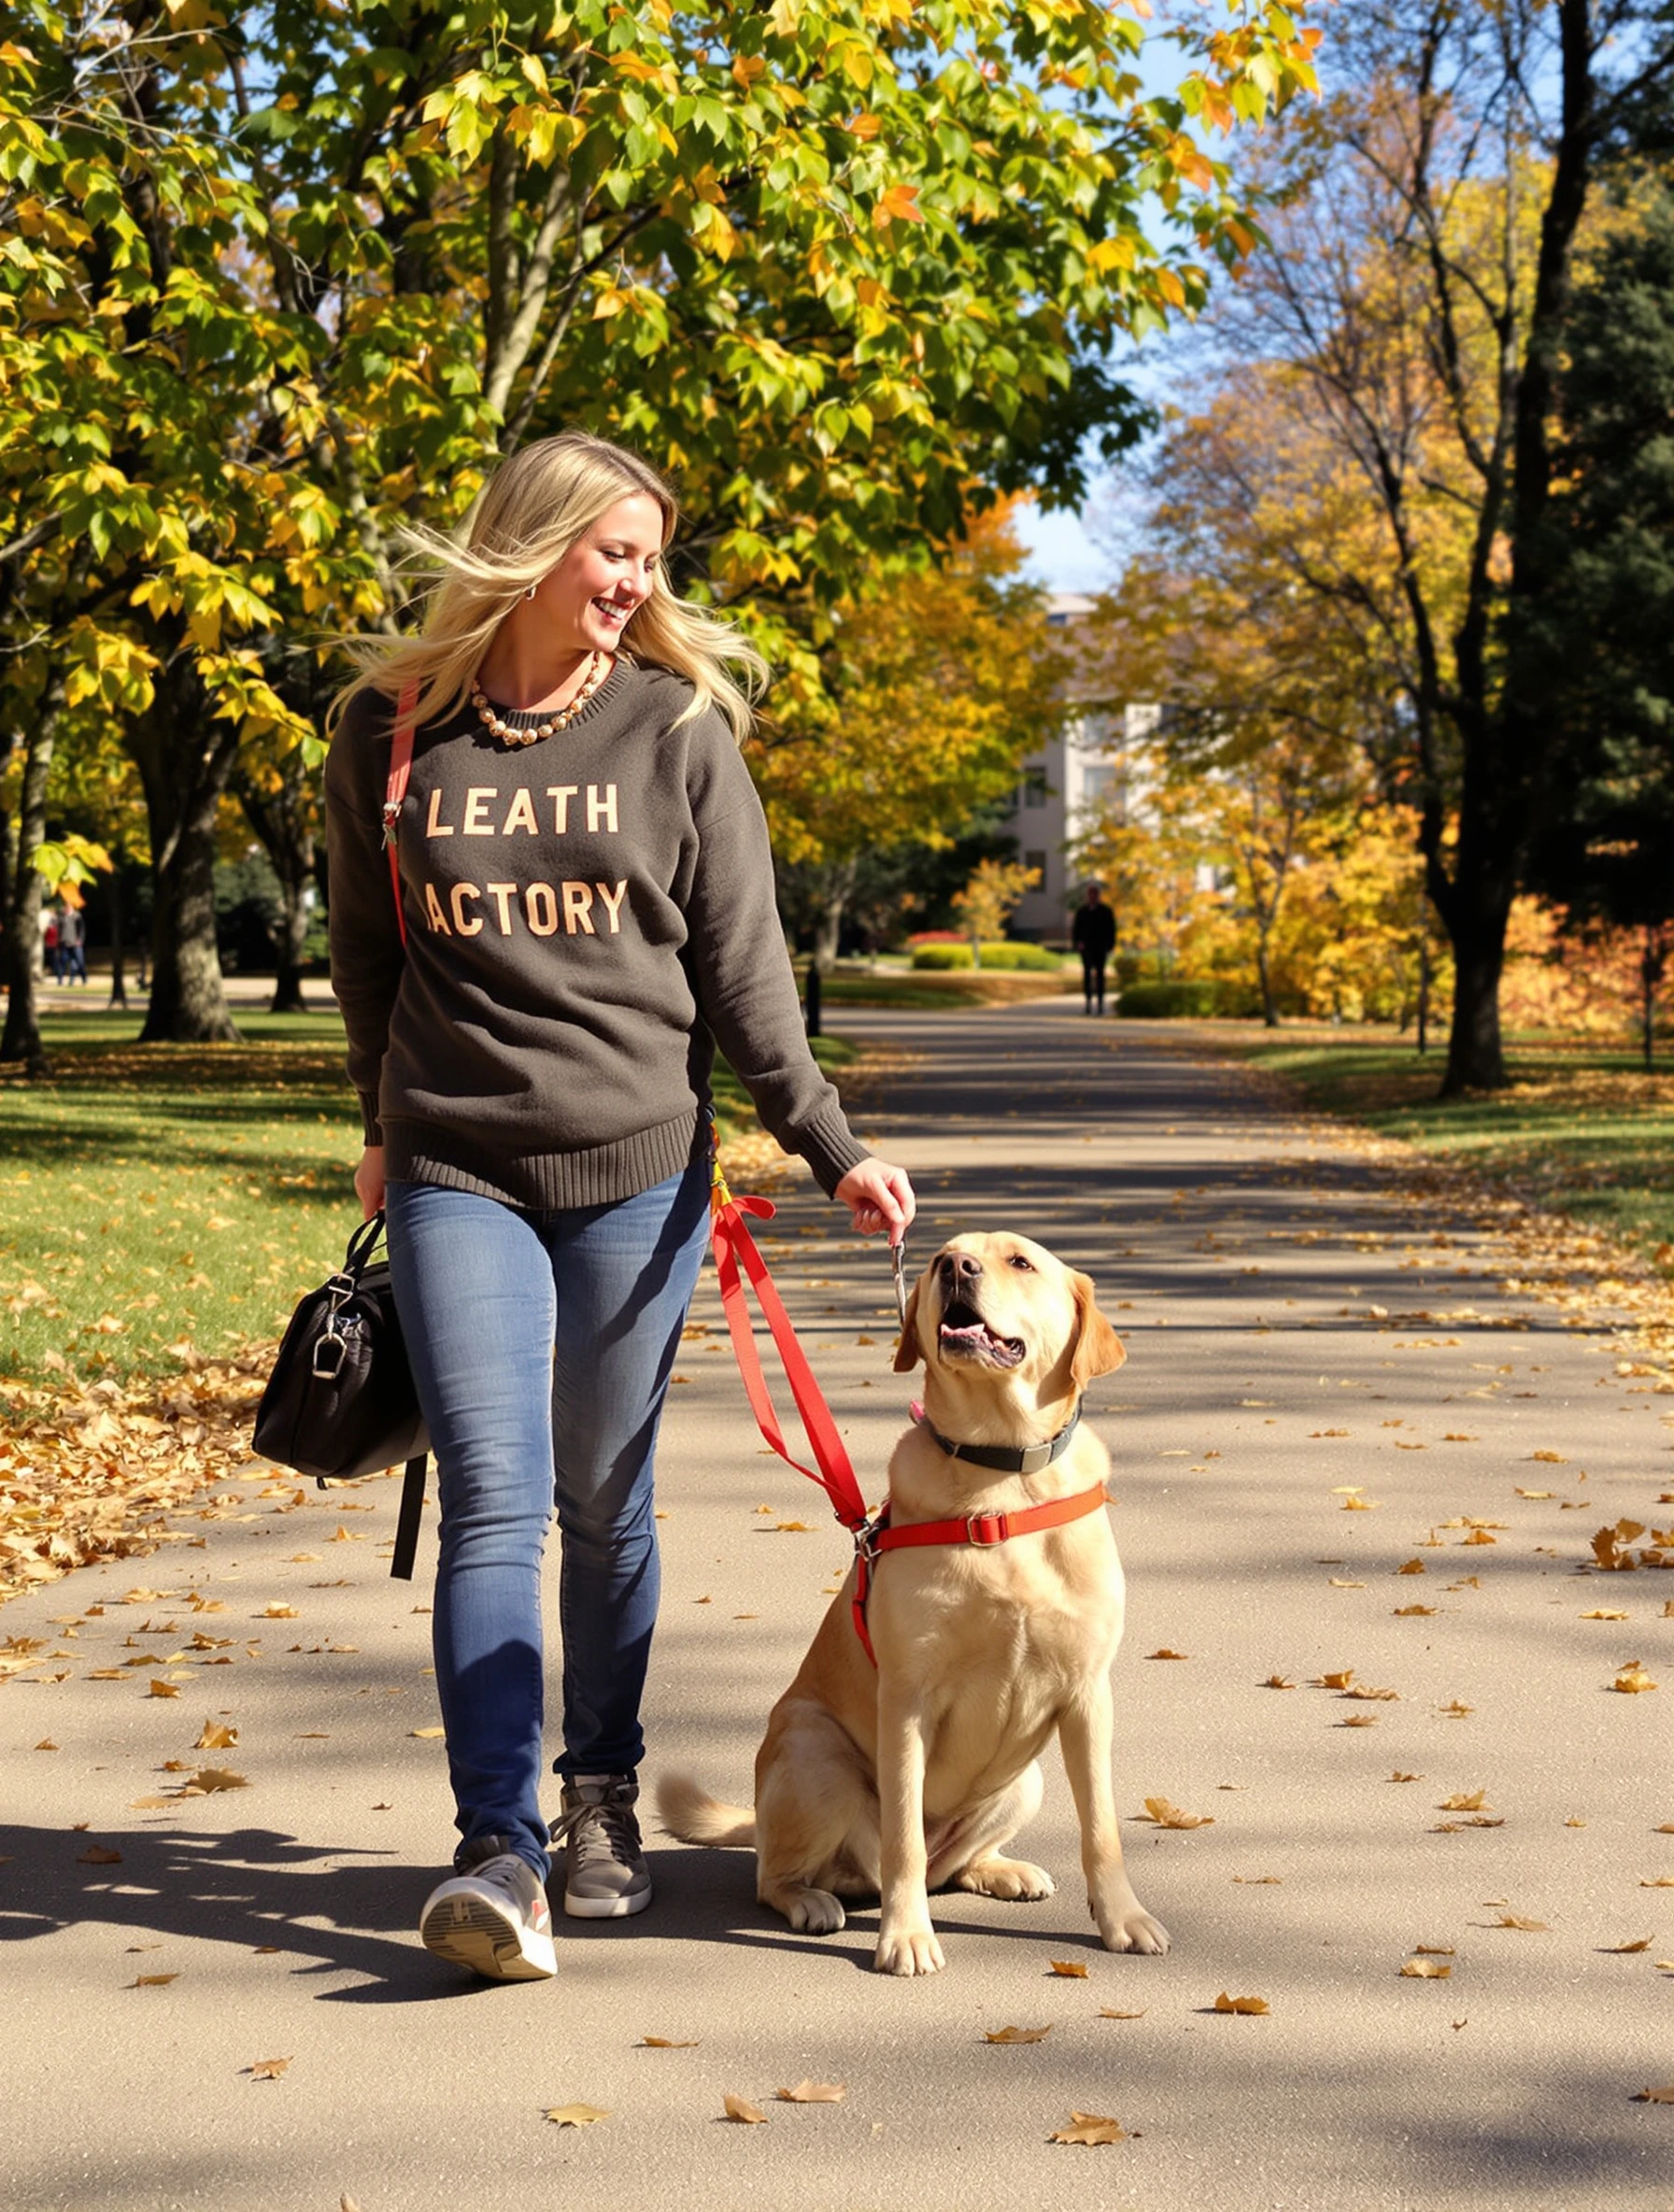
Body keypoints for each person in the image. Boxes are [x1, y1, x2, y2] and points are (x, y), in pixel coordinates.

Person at [324, 431, 915, 1985]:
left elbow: (741, 968)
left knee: (604, 1499)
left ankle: (600, 1794)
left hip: (637, 1172)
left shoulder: (676, 734)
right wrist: (379, 1122)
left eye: (650, 558)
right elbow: (368, 960)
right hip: (459, 1163)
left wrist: (827, 1139)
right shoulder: (389, 734)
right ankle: (497, 1846)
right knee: (494, 1498)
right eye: (614, 551)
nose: (637, 583)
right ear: (532, 546)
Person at [1071, 882, 1116, 1014]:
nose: (1092, 896)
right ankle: (1088, 1002)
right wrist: (1078, 943)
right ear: (1087, 896)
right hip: (1087, 947)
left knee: (1100, 975)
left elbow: (1111, 930)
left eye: (1095, 894)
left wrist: (1110, 945)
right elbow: (1076, 930)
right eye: (1090, 894)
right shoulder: (1082, 912)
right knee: (1087, 975)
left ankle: (1100, 1003)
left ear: (1098, 895)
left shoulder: (1106, 911)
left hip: (1100, 947)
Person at [57, 901, 88, 985]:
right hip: (65, 943)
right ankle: (60, 980)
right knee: (63, 962)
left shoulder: (77, 916)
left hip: (75, 944)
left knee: (79, 962)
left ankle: (83, 978)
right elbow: (59, 929)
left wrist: (80, 940)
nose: (66, 909)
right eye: (66, 907)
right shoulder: (62, 917)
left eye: (69, 907)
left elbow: (81, 930)